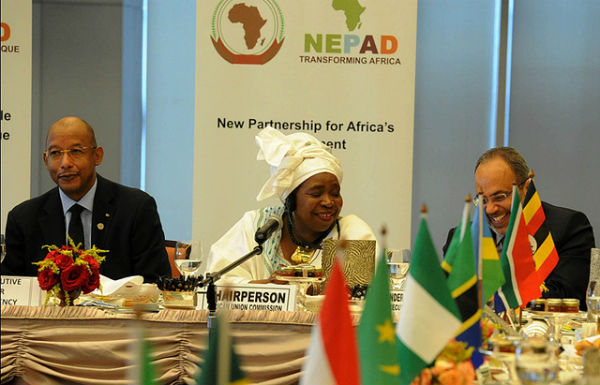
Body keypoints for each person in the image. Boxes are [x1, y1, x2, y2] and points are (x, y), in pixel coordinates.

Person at [1, 116, 171, 282]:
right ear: (46, 160)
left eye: (76, 151)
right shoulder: (24, 218)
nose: (65, 163)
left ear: (97, 156)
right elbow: (13, 288)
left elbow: (155, 282)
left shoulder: (136, 209)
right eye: (55, 153)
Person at [205, 126, 377, 282]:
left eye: (335, 193)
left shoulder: (350, 233)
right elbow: (216, 285)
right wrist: (265, 288)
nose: (328, 202)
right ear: (291, 200)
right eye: (316, 193)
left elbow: (359, 301)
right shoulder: (258, 227)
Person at [443, 147, 595, 308]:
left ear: (527, 188)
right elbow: (449, 298)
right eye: (483, 200)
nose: (490, 209)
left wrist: (497, 298)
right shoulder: (462, 238)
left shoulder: (569, 226)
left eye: (499, 197)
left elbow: (567, 299)